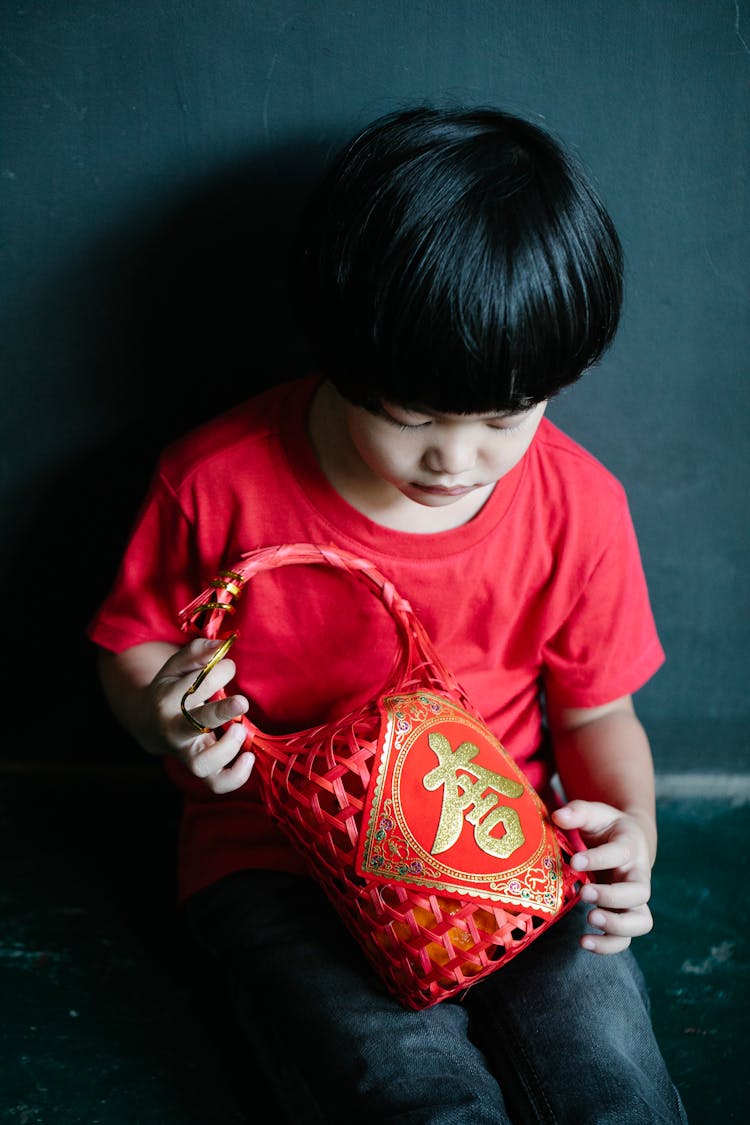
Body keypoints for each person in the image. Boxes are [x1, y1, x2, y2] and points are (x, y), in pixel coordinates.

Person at [88, 105, 688, 1123]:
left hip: (506, 839)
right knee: (408, 1091)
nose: (453, 461)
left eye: (504, 419)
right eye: (407, 418)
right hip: (277, 858)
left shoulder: (577, 504)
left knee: (610, 1080)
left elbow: (596, 713)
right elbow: (132, 643)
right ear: (336, 357)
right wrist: (169, 719)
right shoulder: (217, 481)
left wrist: (629, 831)